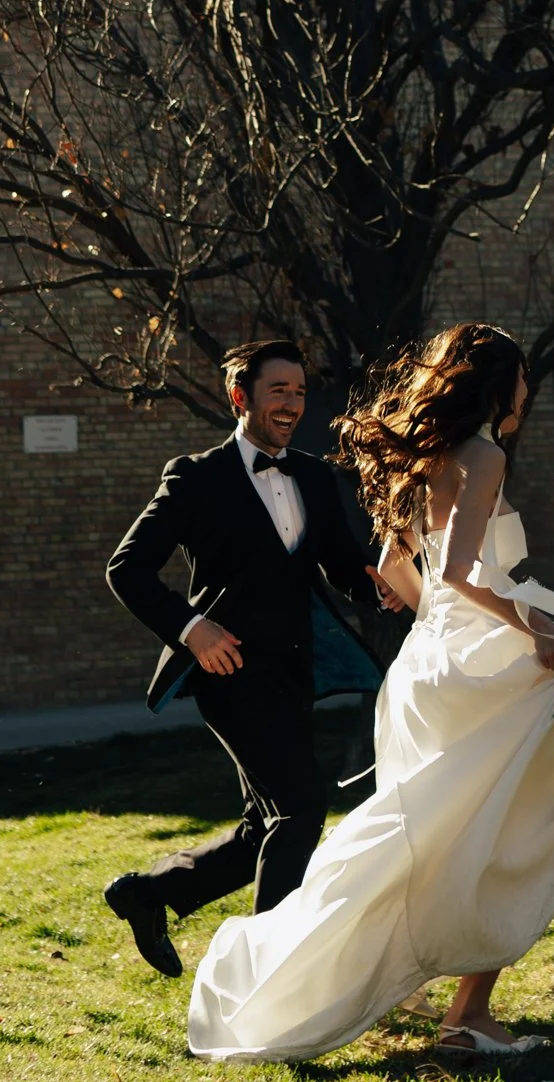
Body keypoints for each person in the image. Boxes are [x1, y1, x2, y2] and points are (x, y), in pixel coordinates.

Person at [187, 321, 554, 1061]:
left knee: (443, 836)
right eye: (522, 377)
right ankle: (467, 1013)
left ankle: (451, 1005)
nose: (527, 391)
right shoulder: (483, 454)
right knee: (516, 832)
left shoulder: (426, 458)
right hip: (489, 671)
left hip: (430, 667)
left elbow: (397, 570)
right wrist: (528, 626)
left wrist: (447, 630)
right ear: (498, 384)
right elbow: (461, 575)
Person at [103, 338, 400, 978]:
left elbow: (342, 564)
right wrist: (191, 629)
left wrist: (378, 584)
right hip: (228, 675)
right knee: (299, 810)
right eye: (278, 391)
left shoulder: (315, 477)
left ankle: (151, 894)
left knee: (264, 824)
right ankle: (269, 978)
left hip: (293, 673)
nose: (293, 403)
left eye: (299, 392)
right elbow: (126, 568)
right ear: (242, 397)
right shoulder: (196, 477)